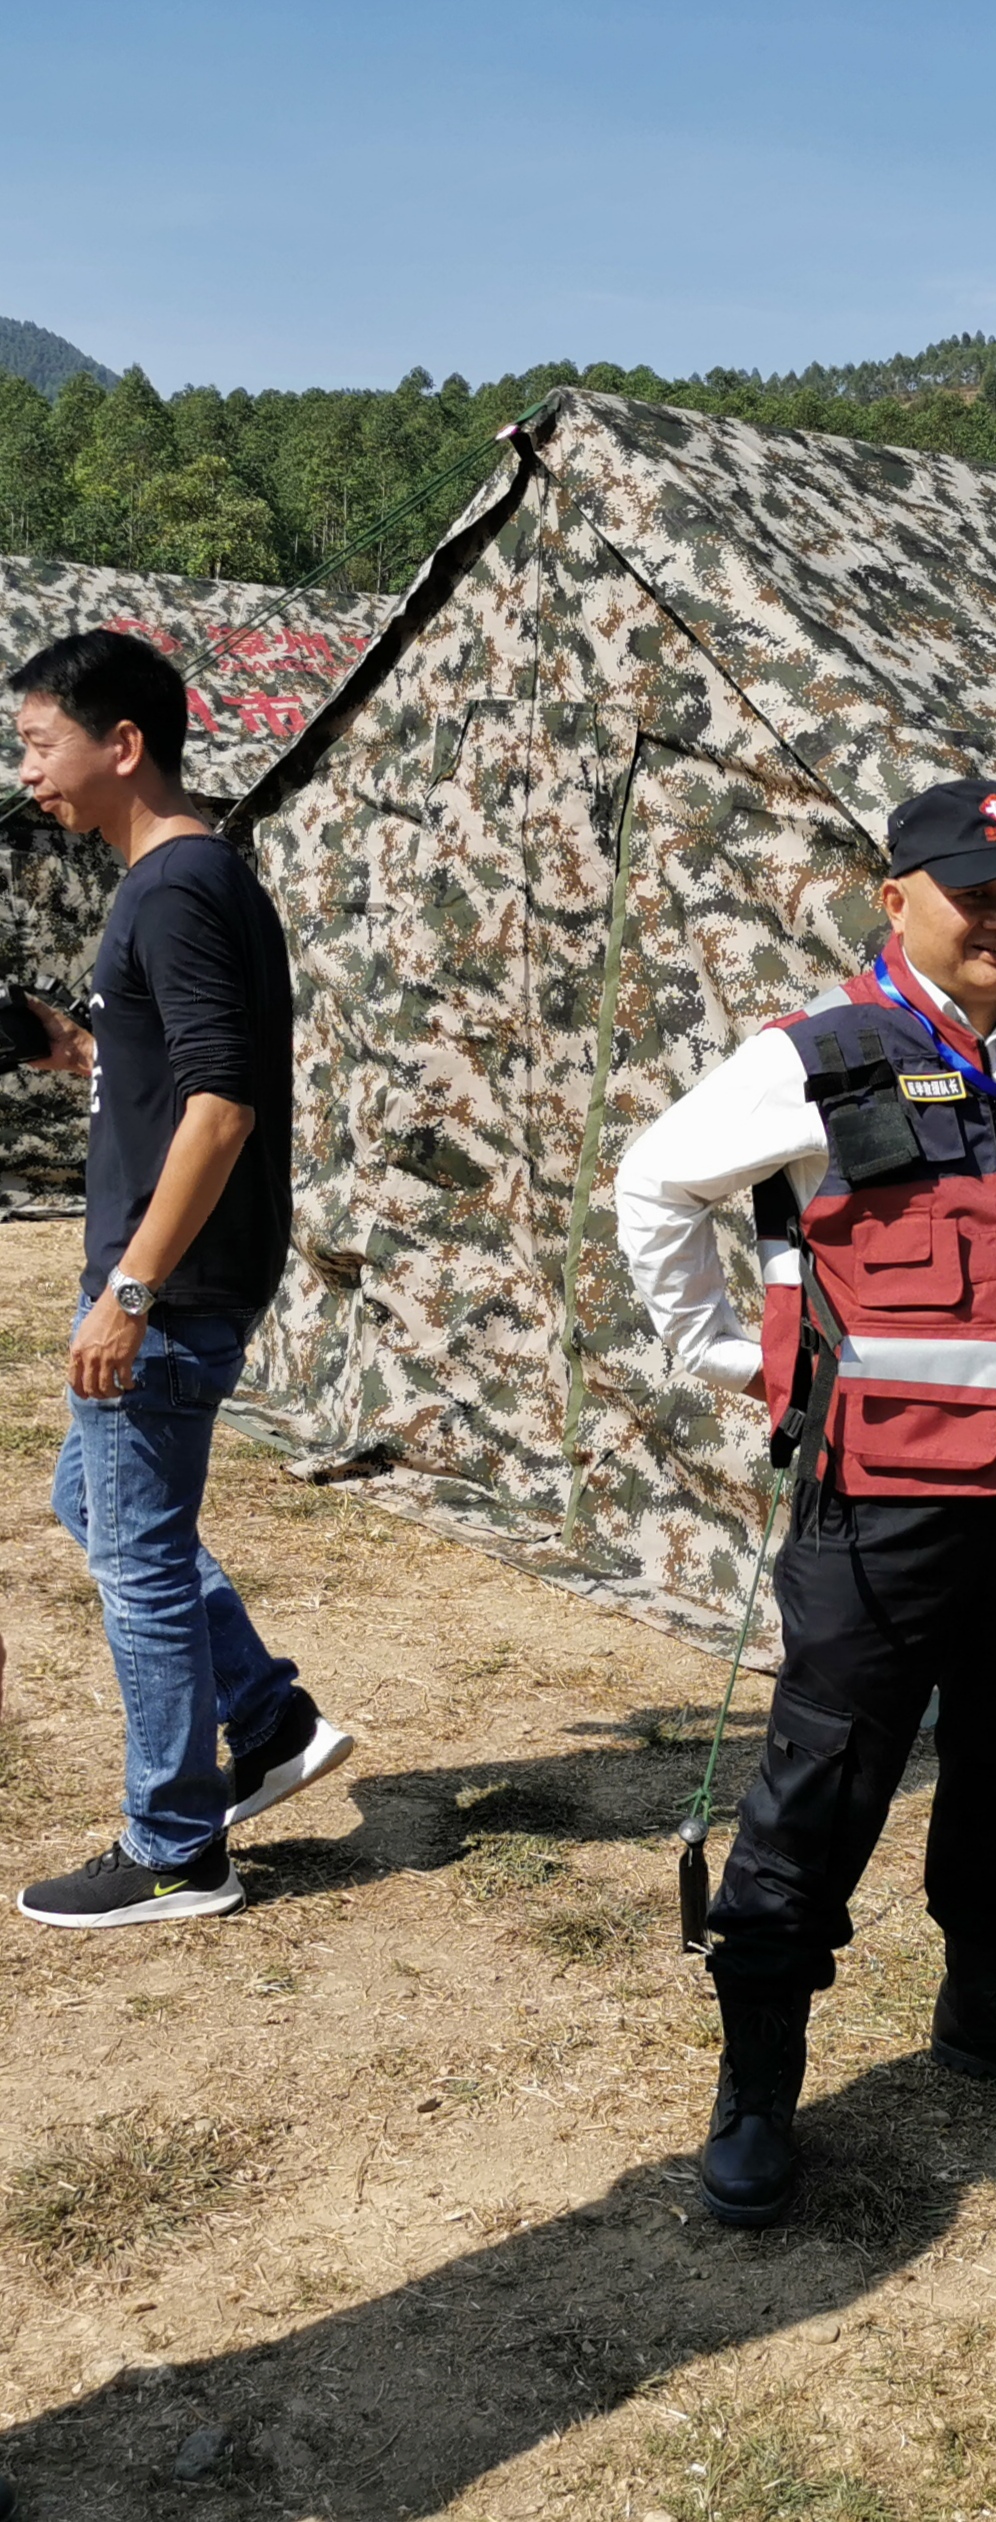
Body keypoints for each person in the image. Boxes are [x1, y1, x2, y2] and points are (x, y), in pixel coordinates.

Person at [616, 776, 996, 2229]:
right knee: (827, 1778)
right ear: (892, 892)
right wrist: (740, 1356)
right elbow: (655, 1184)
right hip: (884, 1499)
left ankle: (986, 2006)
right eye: (973, 889)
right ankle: (758, 2082)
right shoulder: (818, 1058)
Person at [10, 631, 349, 1934]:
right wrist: (81, 1050)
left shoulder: (178, 884)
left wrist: (132, 1288)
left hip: (170, 1285)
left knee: (140, 1560)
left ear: (123, 743)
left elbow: (224, 1106)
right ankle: (265, 1720)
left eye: (40, 740)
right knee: (93, 1507)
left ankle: (174, 1846)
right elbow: (179, 1071)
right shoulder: (188, 880)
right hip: (184, 1276)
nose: (28, 770)